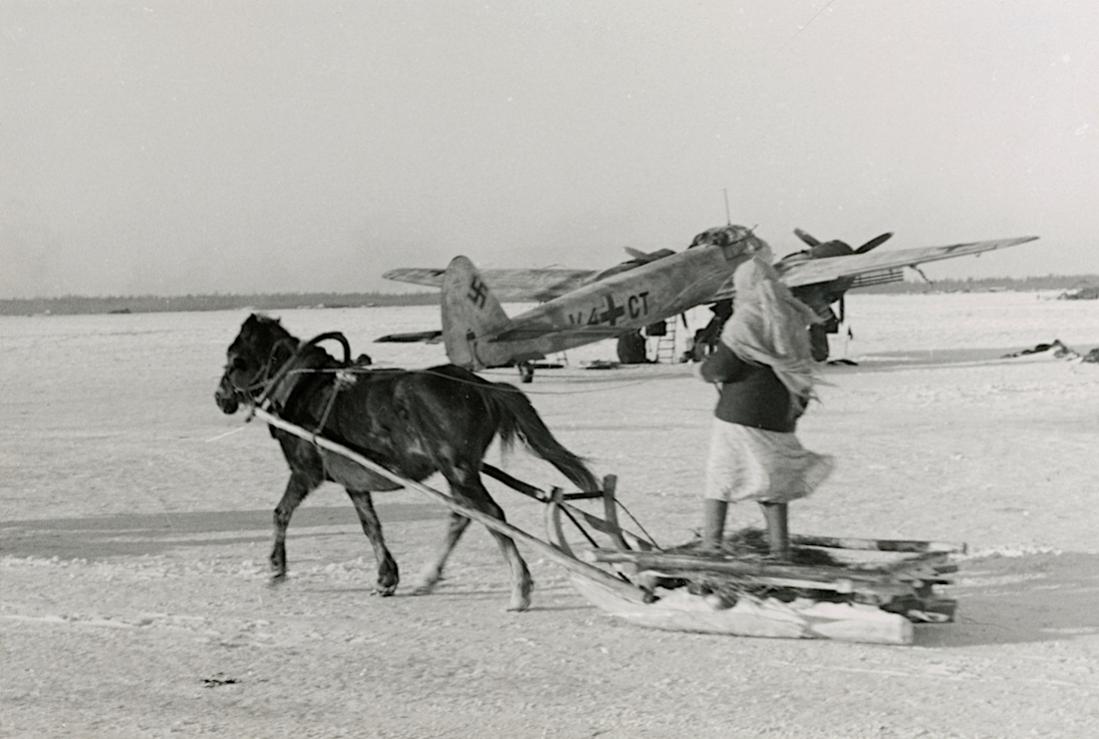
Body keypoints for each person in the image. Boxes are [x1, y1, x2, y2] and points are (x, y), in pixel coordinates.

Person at [697, 255, 834, 559]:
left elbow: (720, 368)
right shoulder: (793, 314)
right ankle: (780, 547)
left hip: (739, 414)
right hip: (782, 410)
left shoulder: (746, 318)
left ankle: (711, 545)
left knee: (721, 477)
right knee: (773, 479)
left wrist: (703, 369)